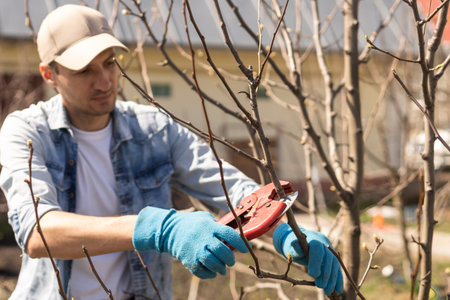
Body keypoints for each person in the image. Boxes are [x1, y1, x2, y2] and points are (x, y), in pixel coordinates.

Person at [0, 4, 343, 300]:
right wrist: (160, 227)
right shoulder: (28, 133)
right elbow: (38, 232)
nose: (104, 81)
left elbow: (230, 189)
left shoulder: (153, 129)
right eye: (85, 70)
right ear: (50, 75)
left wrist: (284, 230)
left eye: (109, 63)